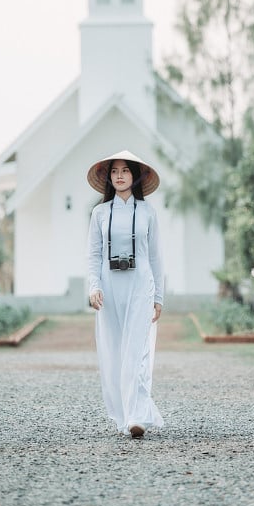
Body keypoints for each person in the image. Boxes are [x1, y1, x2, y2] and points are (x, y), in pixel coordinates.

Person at [86, 149, 164, 438]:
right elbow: (93, 254)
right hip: (109, 286)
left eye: (125, 171)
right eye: (115, 171)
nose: (119, 176)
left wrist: (159, 297)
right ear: (109, 177)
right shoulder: (99, 213)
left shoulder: (147, 212)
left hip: (140, 285)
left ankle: (138, 416)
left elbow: (156, 258)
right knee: (114, 351)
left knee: (138, 350)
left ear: (135, 176)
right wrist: (94, 286)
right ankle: (122, 413)